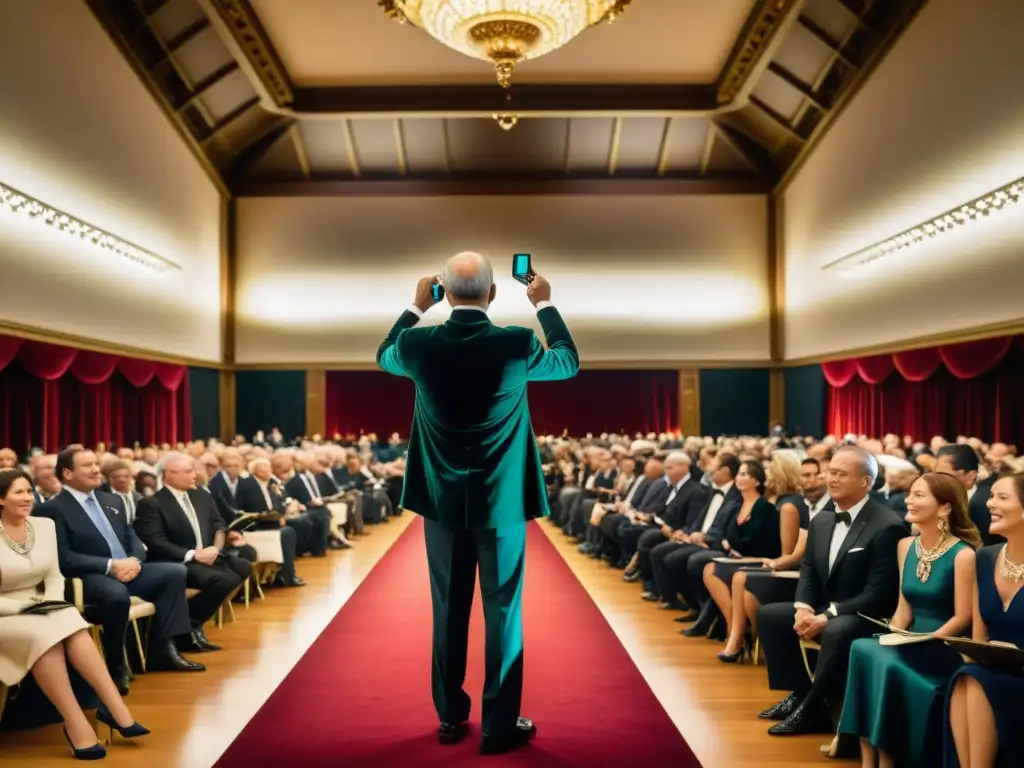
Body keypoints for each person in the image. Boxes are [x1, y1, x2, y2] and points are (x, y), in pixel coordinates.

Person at [376, 252, 578, 755]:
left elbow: (383, 353)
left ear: (443, 291)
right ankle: (498, 726)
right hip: (501, 502)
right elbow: (568, 363)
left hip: (441, 503)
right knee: (503, 613)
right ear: (493, 294)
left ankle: (448, 716)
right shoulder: (515, 342)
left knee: (448, 611)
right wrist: (544, 303)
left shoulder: (417, 344)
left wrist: (415, 307)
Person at [756, 445, 907, 736]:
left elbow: (879, 593)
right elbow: (809, 571)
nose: (832, 479)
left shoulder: (887, 525)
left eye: (841, 474)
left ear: (866, 482)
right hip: (828, 608)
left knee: (837, 629)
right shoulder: (823, 518)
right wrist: (803, 606)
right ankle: (801, 693)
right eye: (831, 472)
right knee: (771, 615)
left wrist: (827, 615)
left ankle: (814, 707)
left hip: (864, 613)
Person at [0, 468, 149, 760]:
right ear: (1, 499)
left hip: (41, 604)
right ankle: (75, 721)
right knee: (47, 634)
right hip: (6, 613)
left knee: (72, 622)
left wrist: (53, 603)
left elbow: (55, 576)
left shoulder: (43, 525)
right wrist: (26, 608)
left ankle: (114, 707)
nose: (28, 497)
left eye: (29, 491)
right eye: (19, 492)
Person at [837, 472, 979, 767]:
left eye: (919, 495)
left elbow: (963, 617)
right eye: (910, 494)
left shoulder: (963, 555)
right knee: (863, 647)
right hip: (911, 642)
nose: (909, 501)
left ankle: (888, 756)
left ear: (945, 508)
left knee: (884, 660)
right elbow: (904, 609)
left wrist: (925, 638)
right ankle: (868, 756)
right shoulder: (905, 546)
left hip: (942, 648)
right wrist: (892, 634)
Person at [35, 448, 203, 693]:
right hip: (90, 576)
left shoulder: (111, 500)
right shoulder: (53, 509)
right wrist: (112, 566)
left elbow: (131, 536)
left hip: (129, 569)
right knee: (115, 594)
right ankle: (117, 666)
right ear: (67, 473)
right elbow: (64, 557)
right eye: (87, 465)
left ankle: (163, 649)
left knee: (175, 573)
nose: (95, 469)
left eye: (96, 463)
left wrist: (134, 559)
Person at [133, 453, 253, 651]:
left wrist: (215, 547)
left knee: (244, 566)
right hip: (177, 561)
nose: (194, 475)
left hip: (208, 554)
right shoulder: (152, 503)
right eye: (188, 471)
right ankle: (191, 626)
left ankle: (190, 623)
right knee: (225, 579)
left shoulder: (201, 495)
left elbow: (218, 525)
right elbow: (155, 542)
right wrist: (193, 555)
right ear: (168, 475)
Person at [946, 472, 1024, 768]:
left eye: (1002, 497)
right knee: (967, 675)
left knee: (977, 680)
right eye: (991, 496)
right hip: (993, 672)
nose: (990, 503)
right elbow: (979, 640)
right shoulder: (986, 557)